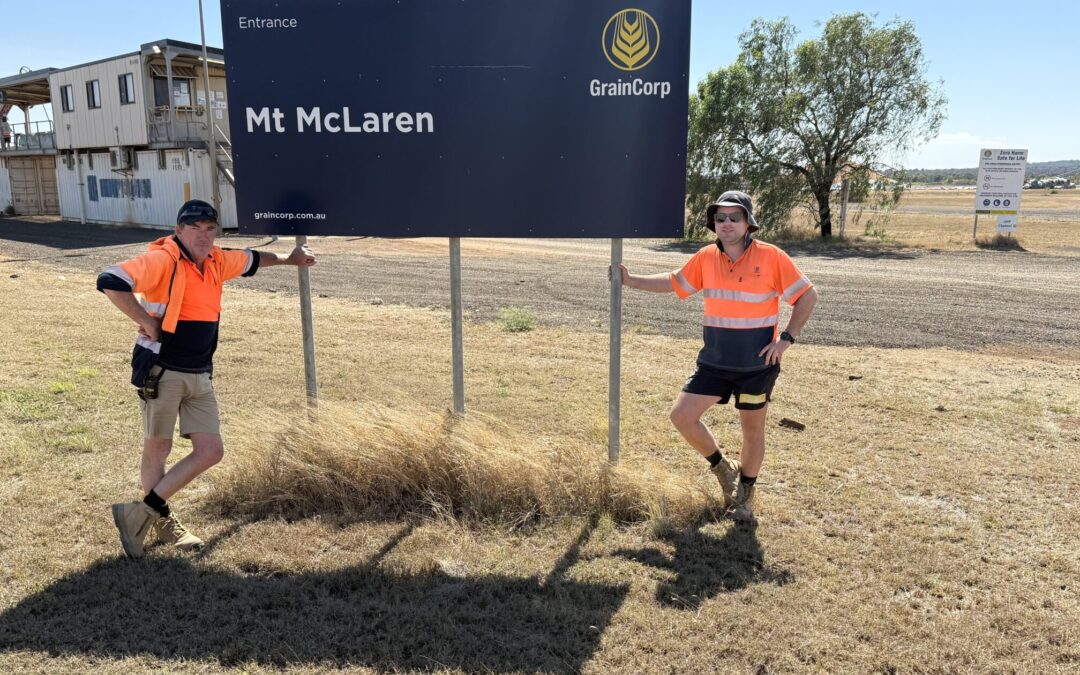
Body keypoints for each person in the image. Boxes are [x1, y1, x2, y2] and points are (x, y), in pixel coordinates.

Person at [97, 199, 316, 558]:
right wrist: (146, 320)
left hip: (200, 371)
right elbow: (110, 279)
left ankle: (141, 512)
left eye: (210, 228)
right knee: (158, 447)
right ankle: (161, 521)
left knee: (211, 451)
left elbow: (252, 258)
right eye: (194, 228)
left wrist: (290, 259)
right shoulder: (164, 259)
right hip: (162, 369)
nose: (203, 235)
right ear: (179, 230)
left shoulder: (216, 259)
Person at [612, 190, 817, 522]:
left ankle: (745, 495)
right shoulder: (706, 257)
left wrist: (786, 340)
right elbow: (675, 282)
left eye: (734, 217)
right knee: (682, 416)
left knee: (752, 431)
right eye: (720, 218)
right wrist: (630, 280)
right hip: (714, 363)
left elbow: (808, 295)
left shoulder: (772, 257)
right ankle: (723, 468)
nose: (726, 223)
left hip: (756, 367)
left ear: (748, 223)